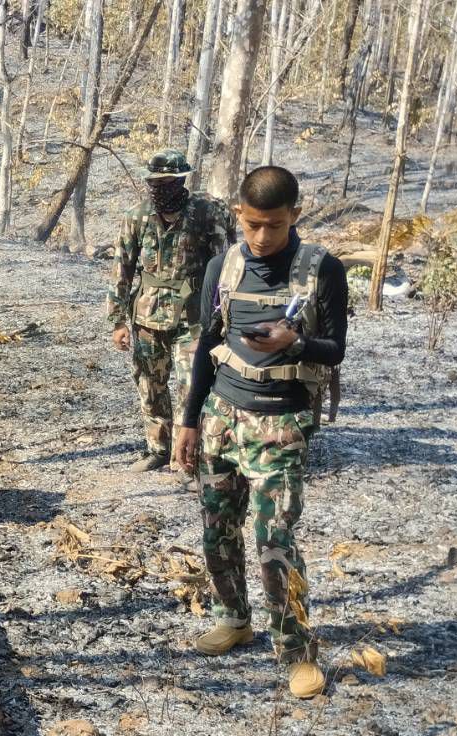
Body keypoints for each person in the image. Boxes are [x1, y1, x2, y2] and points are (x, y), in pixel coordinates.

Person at [171, 166, 349, 700]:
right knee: (216, 530)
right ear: (238, 215)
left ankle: (296, 651)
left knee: (274, 541)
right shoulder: (222, 267)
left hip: (281, 423)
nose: (262, 236)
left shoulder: (321, 269)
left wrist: (293, 344)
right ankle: (233, 618)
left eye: (274, 224)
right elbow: (207, 344)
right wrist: (188, 421)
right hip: (222, 418)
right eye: (252, 224)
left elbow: (335, 349)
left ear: (295, 214)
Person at [107, 149, 236, 471]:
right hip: (147, 318)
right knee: (149, 385)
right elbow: (122, 268)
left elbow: (226, 267)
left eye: (167, 182)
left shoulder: (207, 215)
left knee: (191, 388)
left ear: (181, 181)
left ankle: (185, 456)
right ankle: (158, 448)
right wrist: (118, 321)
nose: (159, 188)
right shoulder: (137, 217)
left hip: (194, 319)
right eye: (154, 183)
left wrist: (225, 318)